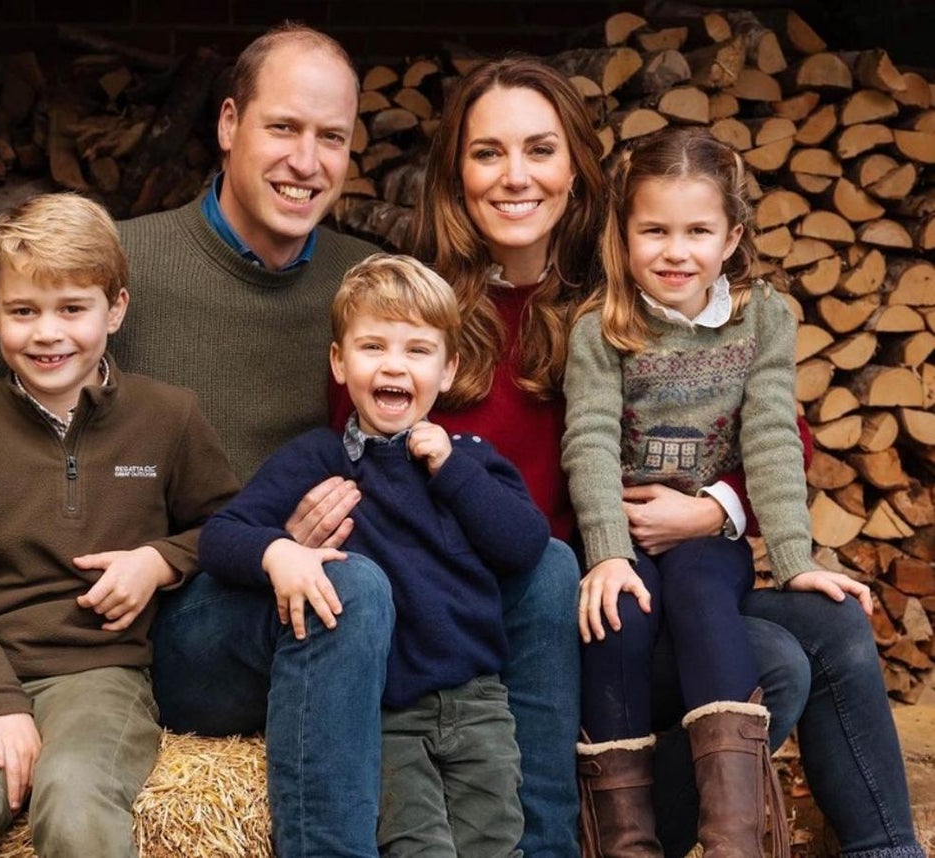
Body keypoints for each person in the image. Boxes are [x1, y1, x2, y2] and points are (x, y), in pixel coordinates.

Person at [0, 26, 585, 857]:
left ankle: (545, 846)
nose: (306, 162)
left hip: (355, 601)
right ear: (229, 124)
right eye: (284, 128)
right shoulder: (125, 267)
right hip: (189, 618)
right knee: (349, 590)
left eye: (331, 139)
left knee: (546, 569)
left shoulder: (365, 280)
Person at [410, 55, 923, 858]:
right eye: (487, 152)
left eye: (540, 150)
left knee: (833, 622)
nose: (516, 177)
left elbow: (780, 432)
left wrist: (713, 507)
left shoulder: (630, 285)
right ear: (455, 172)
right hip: (553, 608)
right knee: (777, 663)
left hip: (666, 563)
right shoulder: (424, 315)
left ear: (577, 172)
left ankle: (888, 851)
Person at [0, 194, 241, 858]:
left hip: (103, 675)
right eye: (23, 311)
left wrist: (160, 560)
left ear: (115, 309)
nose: (47, 333)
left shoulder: (169, 417)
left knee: (76, 801)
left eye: (72, 309)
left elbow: (227, 526)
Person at [562, 128, 873, 856]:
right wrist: (606, 553)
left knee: (706, 600)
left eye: (697, 231)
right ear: (623, 233)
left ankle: (734, 836)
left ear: (732, 236)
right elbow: (590, 439)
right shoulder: (601, 327)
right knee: (617, 617)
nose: (676, 251)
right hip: (624, 535)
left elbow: (769, 435)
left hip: (707, 536)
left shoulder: (762, 317)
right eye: (655, 231)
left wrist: (795, 559)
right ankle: (623, 841)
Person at [202, 253, 544, 856]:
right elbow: (222, 535)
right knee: (419, 847)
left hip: (479, 703)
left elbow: (523, 545)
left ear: (448, 370)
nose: (394, 365)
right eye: (373, 347)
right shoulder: (318, 459)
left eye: (417, 350)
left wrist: (451, 470)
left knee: (496, 843)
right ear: (339, 362)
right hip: (388, 712)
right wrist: (279, 551)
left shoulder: (471, 460)